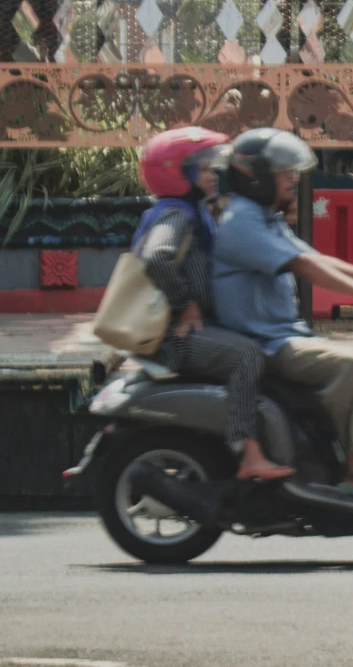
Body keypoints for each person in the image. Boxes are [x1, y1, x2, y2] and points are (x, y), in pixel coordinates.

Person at [209, 128, 353, 501]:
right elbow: (305, 266)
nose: (293, 178)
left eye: (293, 171)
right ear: (255, 176)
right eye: (284, 172)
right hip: (265, 342)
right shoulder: (241, 220)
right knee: (346, 365)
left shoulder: (263, 216)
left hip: (287, 335)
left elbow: (321, 259)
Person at [132, 127, 293, 482]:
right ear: (177, 174)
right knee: (246, 354)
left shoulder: (195, 210)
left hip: (185, 328)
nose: (212, 175)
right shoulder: (175, 214)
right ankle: (247, 451)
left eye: (210, 167)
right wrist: (186, 303)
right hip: (174, 335)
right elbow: (157, 258)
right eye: (202, 169)